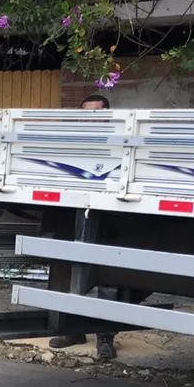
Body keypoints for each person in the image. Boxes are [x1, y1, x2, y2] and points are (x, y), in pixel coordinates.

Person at [49, 92, 119, 361]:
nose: (90, 120)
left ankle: (105, 337)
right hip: (77, 213)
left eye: (97, 115)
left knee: (108, 276)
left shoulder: (118, 144)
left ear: (108, 117)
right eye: (85, 114)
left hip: (111, 215)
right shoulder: (74, 145)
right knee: (72, 270)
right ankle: (73, 329)